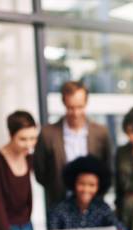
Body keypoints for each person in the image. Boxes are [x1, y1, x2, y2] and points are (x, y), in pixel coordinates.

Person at [33, 80, 114, 212]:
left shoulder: (101, 132)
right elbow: (40, 173)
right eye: (71, 108)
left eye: (80, 107)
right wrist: (56, 186)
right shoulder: (48, 134)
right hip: (58, 204)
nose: (76, 113)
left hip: (93, 206)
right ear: (64, 103)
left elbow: (108, 168)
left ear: (86, 103)